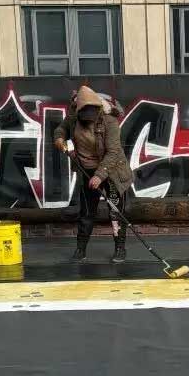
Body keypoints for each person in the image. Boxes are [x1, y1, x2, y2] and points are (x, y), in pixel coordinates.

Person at [53, 86, 134, 262]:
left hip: (112, 173)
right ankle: (80, 250)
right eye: (85, 113)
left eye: (93, 111)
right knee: (86, 213)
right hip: (86, 171)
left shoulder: (110, 121)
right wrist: (59, 139)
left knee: (116, 213)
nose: (89, 116)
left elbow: (113, 152)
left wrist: (99, 175)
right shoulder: (74, 118)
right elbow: (61, 129)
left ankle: (120, 248)